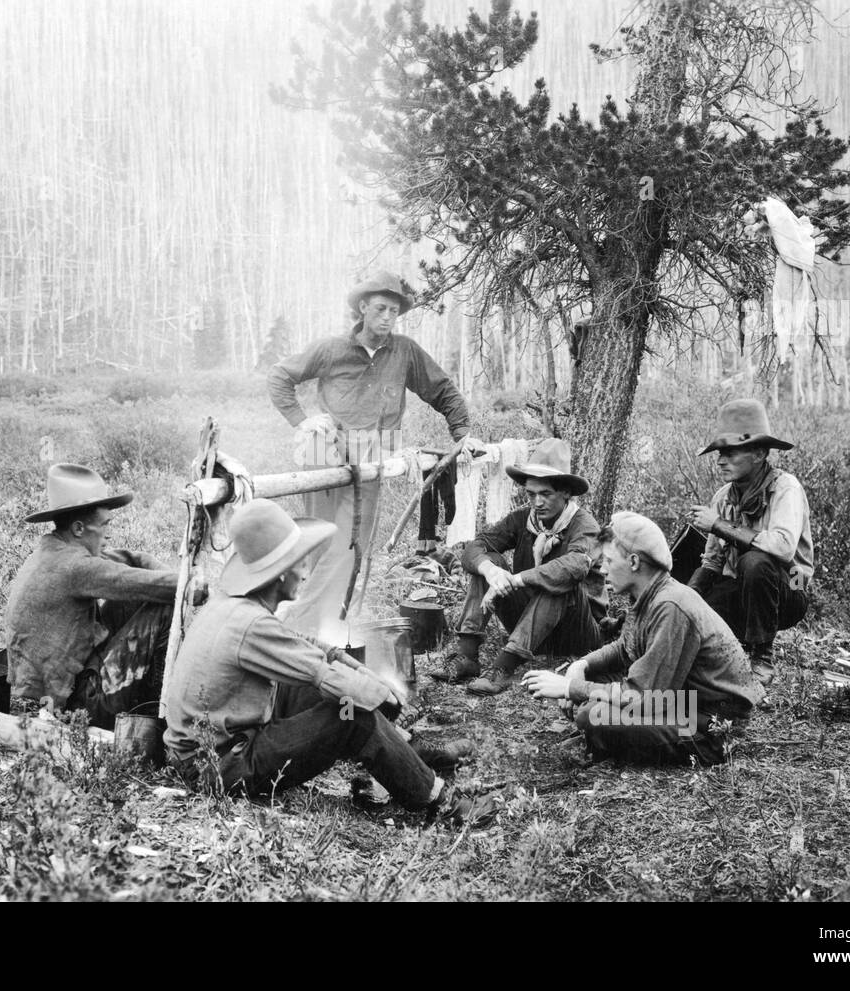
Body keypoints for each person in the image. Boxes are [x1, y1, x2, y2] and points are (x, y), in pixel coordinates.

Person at [164, 499, 489, 823]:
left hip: (213, 751)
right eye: (300, 561)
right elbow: (322, 673)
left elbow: (302, 646)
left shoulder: (237, 608)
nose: (307, 570)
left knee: (331, 692)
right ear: (278, 574)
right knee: (350, 715)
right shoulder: (251, 624)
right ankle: (440, 801)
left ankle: (410, 753)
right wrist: (382, 696)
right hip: (219, 767)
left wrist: (357, 670)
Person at [266, 271, 480, 642]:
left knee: (353, 547)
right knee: (320, 541)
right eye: (380, 308)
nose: (387, 317)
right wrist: (303, 421)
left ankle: (302, 623)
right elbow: (279, 377)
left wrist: (462, 435)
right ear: (362, 308)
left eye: (393, 311)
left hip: (371, 458)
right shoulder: (330, 349)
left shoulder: (405, 352)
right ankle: (319, 622)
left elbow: (443, 390)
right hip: (322, 455)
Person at [523, 512, 762, 766]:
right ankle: (604, 738)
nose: (602, 569)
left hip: (711, 724)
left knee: (596, 714)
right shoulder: (647, 595)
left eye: (608, 560)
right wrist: (581, 665)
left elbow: (645, 699)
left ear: (634, 562)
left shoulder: (671, 606)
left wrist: (571, 688)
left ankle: (607, 744)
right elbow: (624, 648)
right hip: (681, 699)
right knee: (591, 684)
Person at [4, 463, 195, 730]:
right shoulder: (75, 567)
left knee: (132, 595)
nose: (109, 533)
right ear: (80, 528)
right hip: (72, 705)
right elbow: (164, 587)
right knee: (163, 608)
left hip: (59, 689)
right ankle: (153, 723)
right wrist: (199, 585)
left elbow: (133, 560)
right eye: (104, 525)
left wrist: (167, 573)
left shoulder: (56, 550)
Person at [435, 438, 607, 696]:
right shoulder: (523, 520)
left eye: (546, 494)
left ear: (566, 493)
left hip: (577, 631)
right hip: (533, 624)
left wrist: (517, 579)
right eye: (531, 494)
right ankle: (466, 655)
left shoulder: (585, 526)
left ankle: (504, 667)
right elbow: (474, 548)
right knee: (490, 561)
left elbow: (574, 568)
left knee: (559, 580)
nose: (537, 503)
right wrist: (492, 572)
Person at [685, 399, 813, 685]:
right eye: (719, 453)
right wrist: (688, 596)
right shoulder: (722, 498)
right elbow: (712, 562)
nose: (720, 461)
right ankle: (727, 655)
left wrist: (718, 525)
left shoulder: (785, 488)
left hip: (792, 588)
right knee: (705, 599)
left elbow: (782, 547)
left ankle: (761, 656)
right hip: (744, 590)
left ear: (759, 453)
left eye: (730, 453)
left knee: (755, 562)